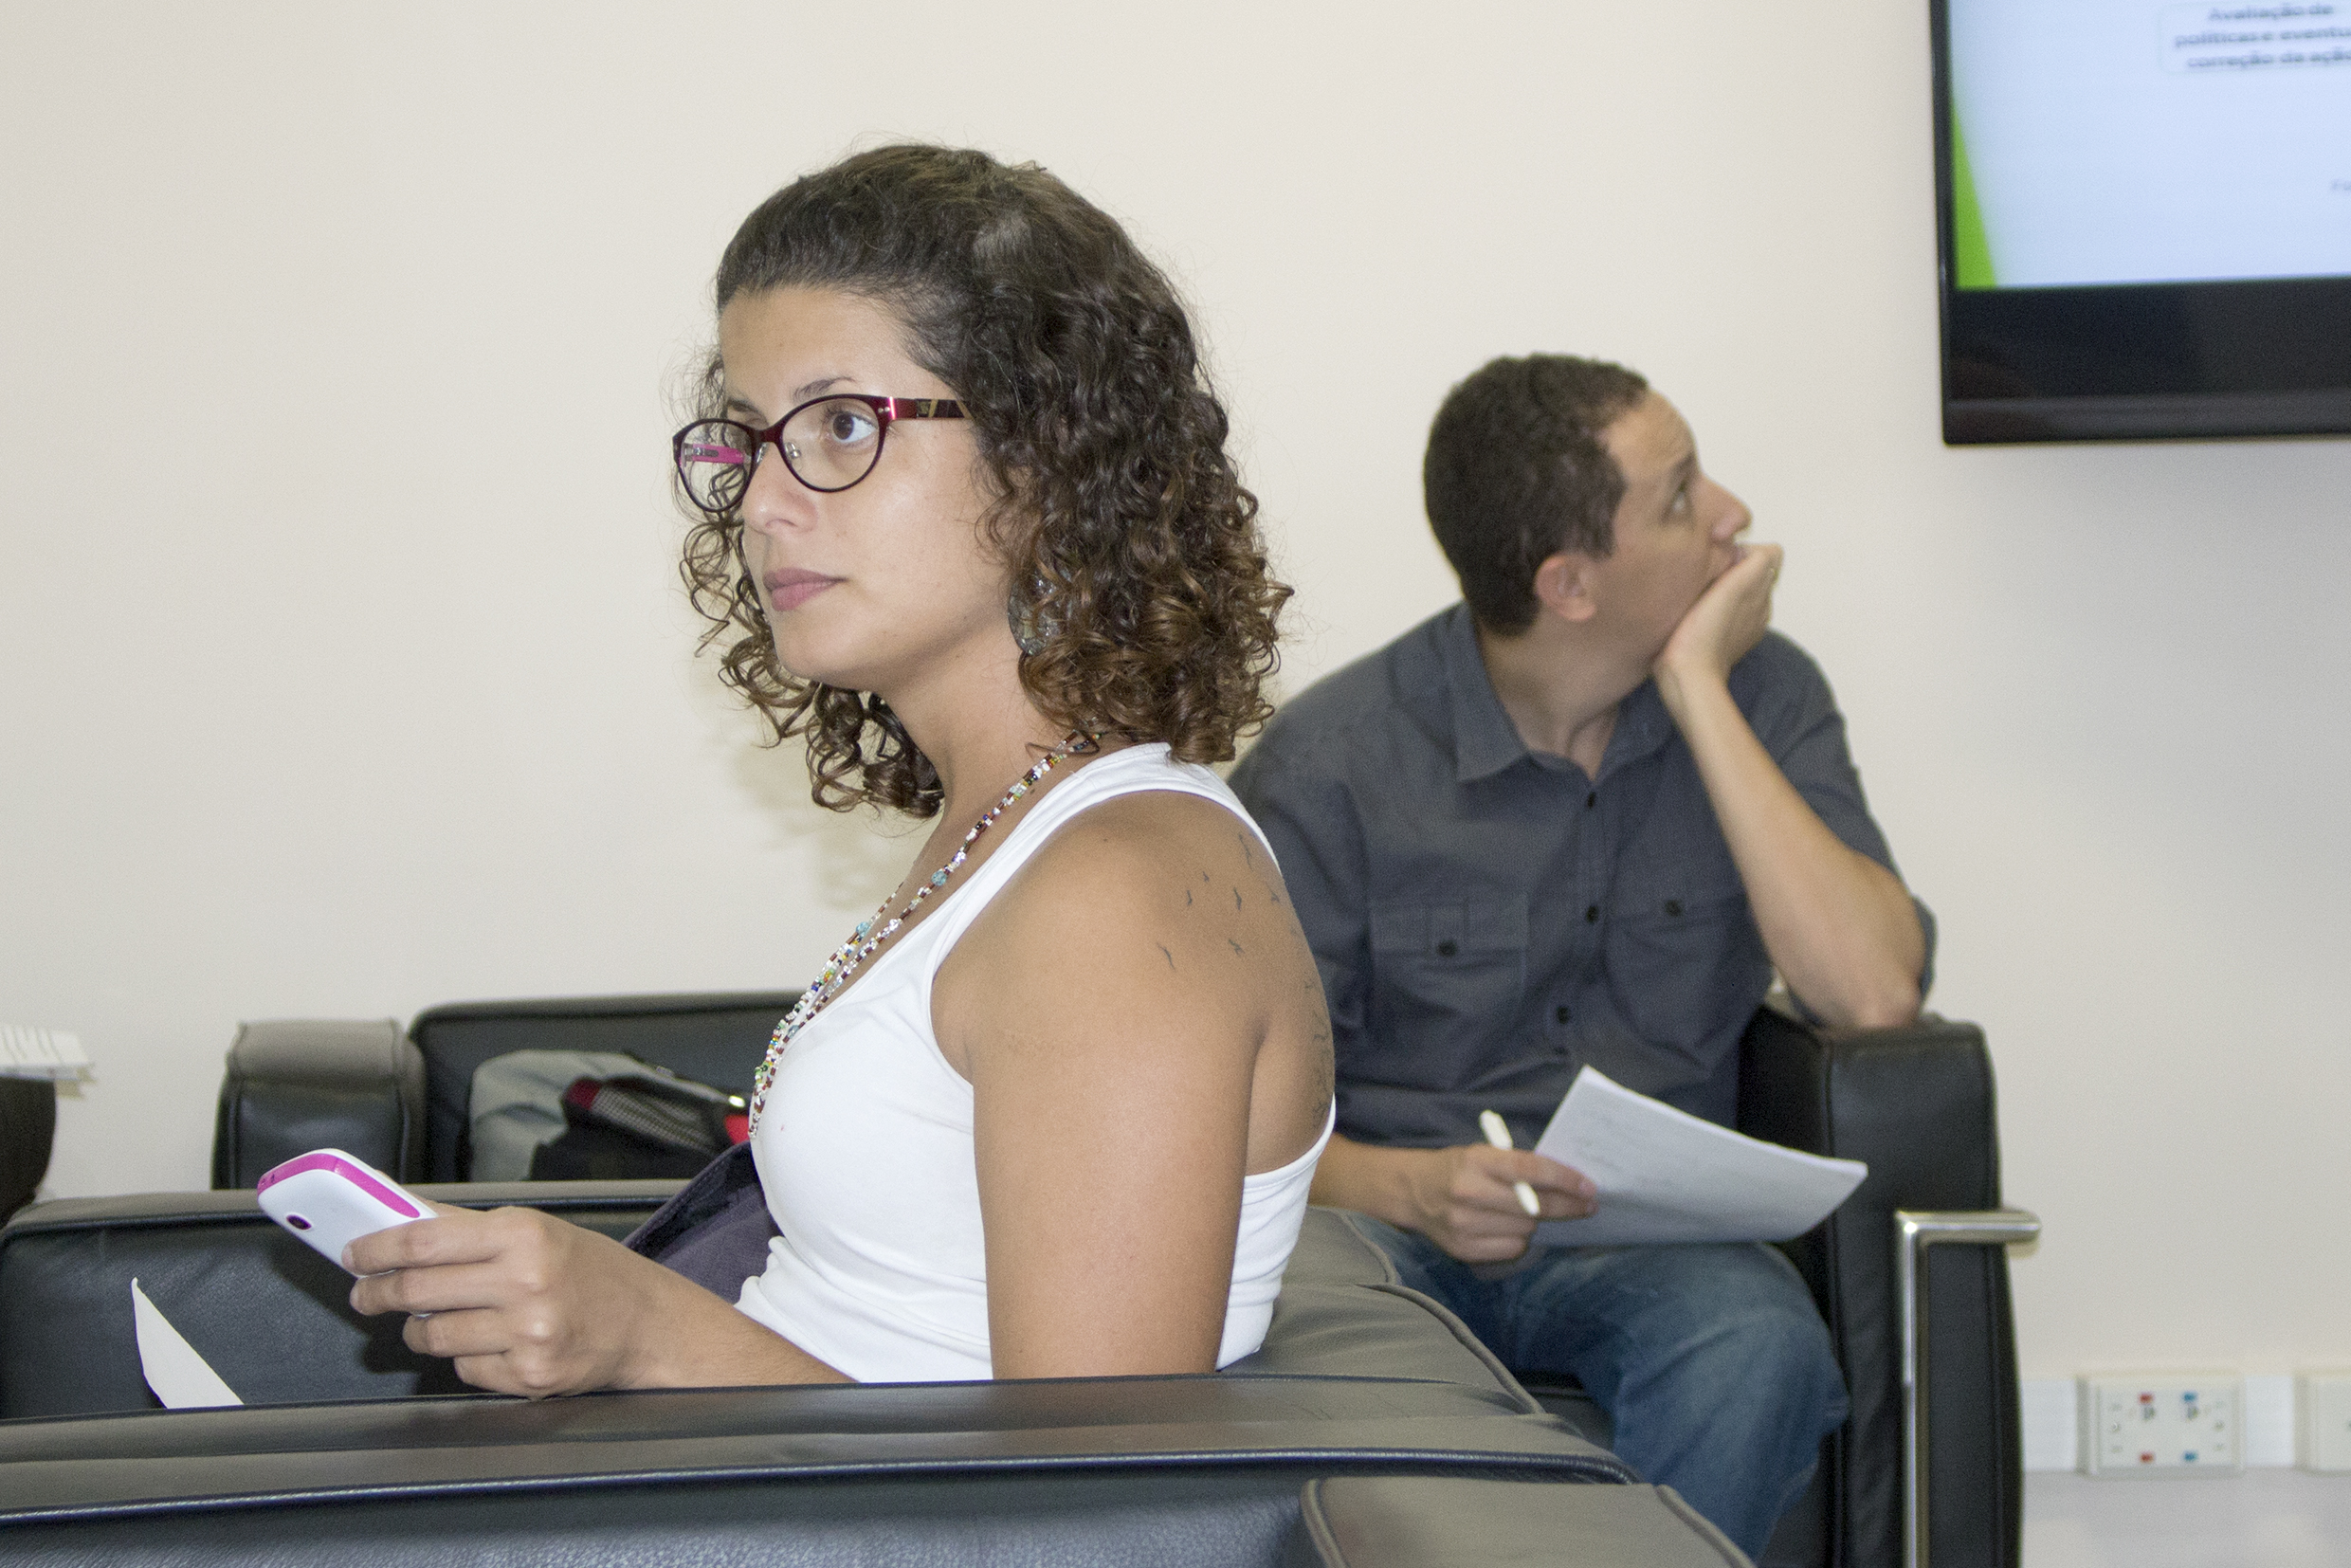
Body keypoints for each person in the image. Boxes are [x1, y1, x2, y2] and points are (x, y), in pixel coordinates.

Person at [348, 145, 1335, 1394]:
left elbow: (1091, 1468)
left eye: (841, 425)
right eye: (750, 439)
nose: (762, 502)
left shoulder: (1115, 892)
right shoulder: (1014, 829)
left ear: (1047, 462)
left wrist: (644, 1331)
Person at [1228, 354, 1932, 1556]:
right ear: (1567, 583)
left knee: (1754, 1349)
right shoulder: (1333, 767)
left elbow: (1870, 992)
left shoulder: (1764, 694)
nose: (1730, 516)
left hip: (1645, 1241)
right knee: (1322, 1358)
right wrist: (1412, 1188)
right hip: (1389, 1227)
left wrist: (1698, 689)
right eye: (1680, 496)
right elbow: (1227, 1119)